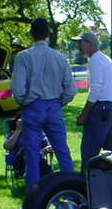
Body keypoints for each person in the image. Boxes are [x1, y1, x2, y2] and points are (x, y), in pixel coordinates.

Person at [11, 17, 76, 191]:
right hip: (54, 106)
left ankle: (33, 198)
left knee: (32, 155)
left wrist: (26, 103)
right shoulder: (60, 57)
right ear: (48, 34)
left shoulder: (23, 57)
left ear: (32, 34)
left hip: (32, 107)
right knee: (62, 152)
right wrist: (57, 103)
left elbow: (17, 90)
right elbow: (71, 90)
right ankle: (71, 193)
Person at [72, 31, 112, 169]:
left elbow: (95, 90)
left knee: (89, 151)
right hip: (110, 107)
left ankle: (85, 183)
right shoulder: (106, 59)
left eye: (81, 43)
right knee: (111, 151)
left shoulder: (95, 61)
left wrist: (84, 114)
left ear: (89, 43)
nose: (78, 46)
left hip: (100, 109)